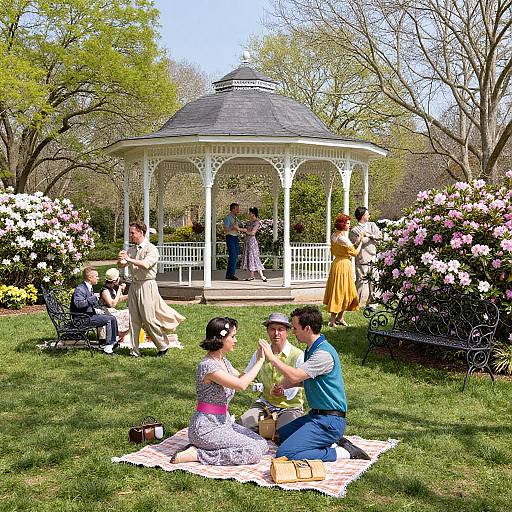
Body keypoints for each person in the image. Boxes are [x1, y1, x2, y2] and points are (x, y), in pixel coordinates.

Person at [258, 306, 370, 462]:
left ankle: (343, 453)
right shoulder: (311, 349)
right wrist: (283, 387)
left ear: (307, 329)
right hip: (316, 416)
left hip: (329, 421)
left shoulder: (323, 354)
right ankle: (331, 442)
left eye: (295, 328)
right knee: (280, 436)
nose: (294, 331)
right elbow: (305, 380)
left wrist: (272, 358)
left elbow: (296, 375)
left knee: (285, 453)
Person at [170, 317, 269, 465]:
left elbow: (242, 377)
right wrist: (260, 361)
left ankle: (199, 449)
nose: (236, 340)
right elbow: (241, 384)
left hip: (223, 423)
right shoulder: (208, 366)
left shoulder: (223, 362)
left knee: (261, 444)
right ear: (221, 339)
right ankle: (198, 454)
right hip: (205, 428)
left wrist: (260, 382)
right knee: (253, 452)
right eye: (233, 337)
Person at [118, 221, 185, 357]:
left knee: (149, 318)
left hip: (147, 285)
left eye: (132, 233)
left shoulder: (151, 249)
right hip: (134, 286)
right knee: (133, 319)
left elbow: (146, 264)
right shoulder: (131, 250)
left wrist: (129, 259)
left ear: (141, 233)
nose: (130, 236)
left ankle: (162, 346)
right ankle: (134, 350)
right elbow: (122, 265)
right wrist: (120, 260)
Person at [238, 313, 304, 433]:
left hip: (290, 406)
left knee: (285, 432)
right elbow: (247, 375)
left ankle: (272, 428)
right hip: (265, 404)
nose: (276, 333)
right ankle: (267, 427)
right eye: (272, 329)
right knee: (243, 425)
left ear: (287, 332)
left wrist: (283, 391)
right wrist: (255, 385)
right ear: (268, 331)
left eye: (280, 329)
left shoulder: (298, 355)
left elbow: (300, 380)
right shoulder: (259, 353)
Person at [323, 214, 363, 327]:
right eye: (348, 223)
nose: (349, 226)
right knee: (340, 291)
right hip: (344, 265)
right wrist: (360, 242)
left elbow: (345, 249)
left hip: (337, 263)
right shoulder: (343, 238)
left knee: (342, 290)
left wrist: (355, 244)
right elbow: (354, 253)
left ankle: (340, 317)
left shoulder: (334, 236)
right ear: (343, 224)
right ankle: (332, 319)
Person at [70, 266, 119, 355]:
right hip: (81, 319)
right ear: (90, 277)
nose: (98, 278)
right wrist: (93, 298)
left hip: (88, 316)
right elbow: (78, 304)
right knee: (110, 319)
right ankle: (108, 347)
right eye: (96, 276)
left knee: (111, 317)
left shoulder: (88, 287)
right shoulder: (80, 289)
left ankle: (113, 342)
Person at [349, 207, 382, 309]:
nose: (369, 215)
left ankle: (372, 304)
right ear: (363, 216)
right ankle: (355, 304)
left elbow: (379, 236)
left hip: (373, 257)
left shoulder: (372, 225)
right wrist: (371, 237)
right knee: (360, 282)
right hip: (362, 259)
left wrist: (369, 235)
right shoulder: (354, 230)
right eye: (367, 214)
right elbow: (359, 242)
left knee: (374, 281)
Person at [98, 267, 130, 342]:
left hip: (112, 311)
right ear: (115, 280)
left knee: (132, 312)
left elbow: (118, 299)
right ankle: (119, 335)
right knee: (128, 313)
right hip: (106, 312)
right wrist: (119, 289)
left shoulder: (111, 289)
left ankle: (121, 335)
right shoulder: (105, 290)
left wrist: (130, 295)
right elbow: (112, 304)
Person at [240, 207, 267, 282]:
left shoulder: (256, 222)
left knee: (254, 258)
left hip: (252, 242)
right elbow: (245, 230)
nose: (249, 214)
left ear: (253, 213)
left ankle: (262, 276)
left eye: (250, 212)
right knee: (250, 258)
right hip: (247, 242)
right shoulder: (248, 222)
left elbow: (252, 233)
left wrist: (245, 231)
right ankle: (252, 275)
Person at [223, 203, 241, 280]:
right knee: (233, 255)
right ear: (233, 209)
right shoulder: (227, 218)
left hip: (236, 237)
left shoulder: (236, 218)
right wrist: (232, 228)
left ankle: (229, 274)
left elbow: (240, 226)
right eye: (237, 209)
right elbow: (226, 230)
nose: (238, 211)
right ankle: (231, 274)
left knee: (235, 255)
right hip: (230, 237)